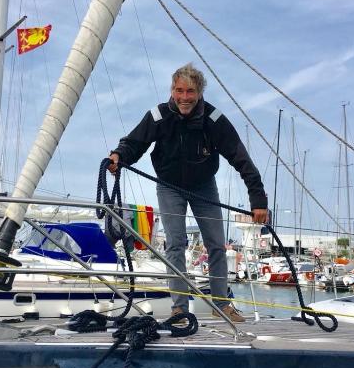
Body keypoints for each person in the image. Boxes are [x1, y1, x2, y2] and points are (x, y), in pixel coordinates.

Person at [108, 63, 268, 323]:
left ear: (200, 92)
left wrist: (258, 200)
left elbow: (241, 159)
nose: (184, 97)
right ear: (172, 90)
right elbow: (133, 143)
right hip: (169, 186)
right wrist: (118, 156)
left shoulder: (214, 120)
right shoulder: (159, 116)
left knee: (217, 245)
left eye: (190, 91)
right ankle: (179, 308)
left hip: (204, 187)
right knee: (175, 244)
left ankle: (222, 305)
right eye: (179, 90)